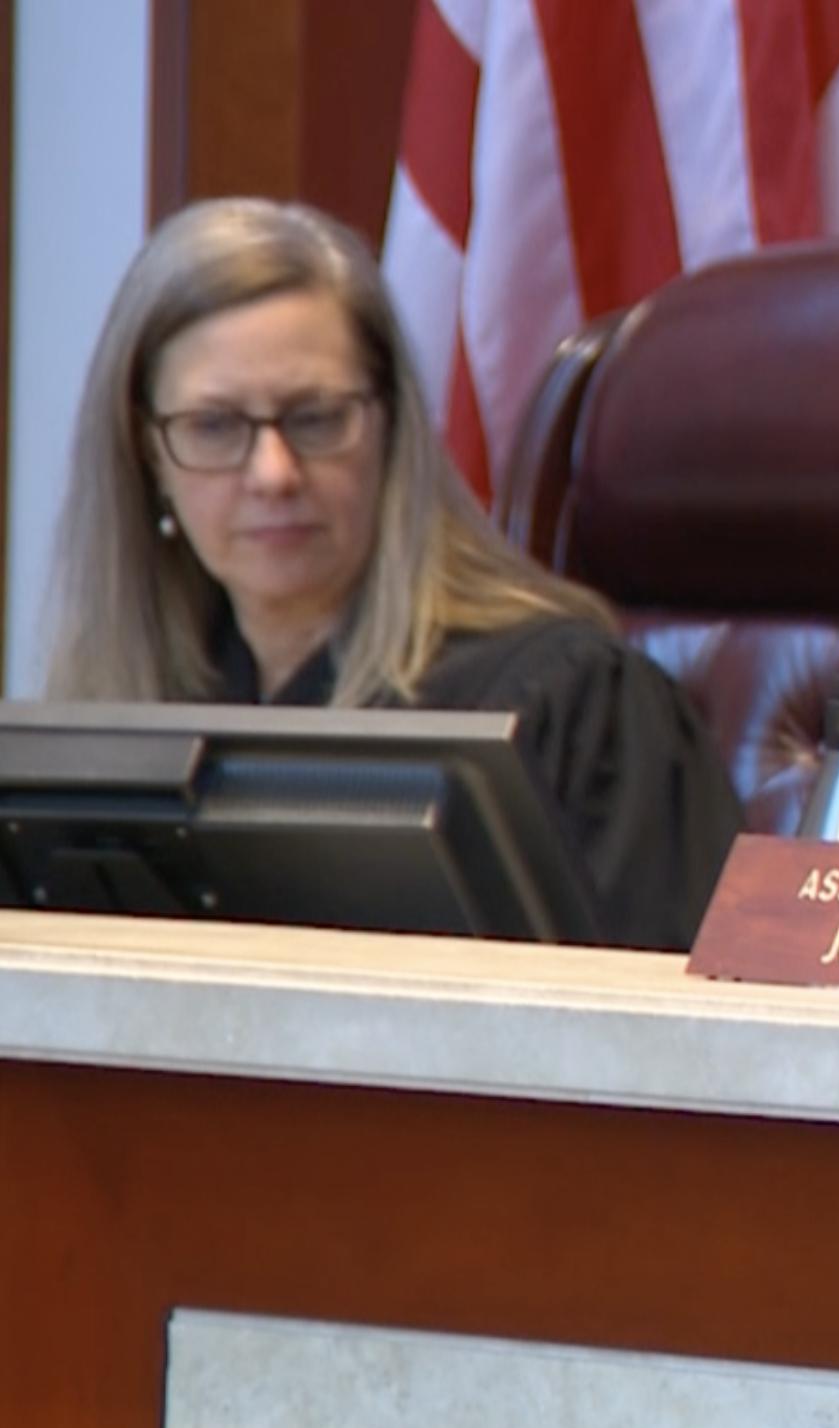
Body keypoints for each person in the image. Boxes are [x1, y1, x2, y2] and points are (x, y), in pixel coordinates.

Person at [41, 198, 738, 950]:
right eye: (214, 426)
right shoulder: (129, 717)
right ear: (147, 456)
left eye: (316, 417)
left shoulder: (574, 701)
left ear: (392, 432)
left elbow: (678, 1010)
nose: (273, 473)